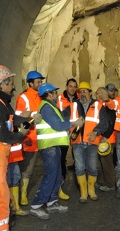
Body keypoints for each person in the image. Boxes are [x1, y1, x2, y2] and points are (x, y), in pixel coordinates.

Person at [0, 65, 41, 231]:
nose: (13, 86)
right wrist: (21, 135)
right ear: (3, 84)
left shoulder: (0, 102)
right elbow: (5, 134)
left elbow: (13, 120)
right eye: (11, 83)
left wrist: (30, 120)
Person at [30, 83, 84, 219]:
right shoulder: (47, 107)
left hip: (54, 146)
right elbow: (58, 125)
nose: (57, 94)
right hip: (49, 147)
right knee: (50, 175)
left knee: (57, 175)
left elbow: (61, 119)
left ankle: (52, 201)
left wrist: (69, 112)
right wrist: (75, 123)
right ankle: (36, 205)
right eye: (54, 92)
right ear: (48, 94)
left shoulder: (51, 106)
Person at [72, 81, 109, 203]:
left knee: (92, 168)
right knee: (79, 168)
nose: (82, 94)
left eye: (85, 91)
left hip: (92, 143)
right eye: (80, 91)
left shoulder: (98, 105)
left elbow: (104, 123)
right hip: (77, 142)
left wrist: (96, 132)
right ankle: (83, 193)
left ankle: (91, 190)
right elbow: (65, 119)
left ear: (90, 93)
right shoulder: (73, 105)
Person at [15, 70, 45, 206]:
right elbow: (18, 117)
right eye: (38, 82)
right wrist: (32, 115)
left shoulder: (42, 96)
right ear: (30, 83)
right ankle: (23, 194)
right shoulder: (23, 97)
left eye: (41, 82)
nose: (40, 84)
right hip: (30, 138)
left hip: (44, 137)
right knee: (27, 169)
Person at [57, 78, 80, 200]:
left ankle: (80, 181)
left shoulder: (79, 99)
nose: (72, 88)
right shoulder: (59, 99)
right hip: (63, 132)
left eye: (74, 86)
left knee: (78, 156)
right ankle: (61, 181)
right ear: (66, 87)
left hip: (76, 131)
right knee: (61, 157)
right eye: (70, 86)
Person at [95, 86, 116, 192]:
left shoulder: (108, 106)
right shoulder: (98, 105)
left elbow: (111, 123)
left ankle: (111, 183)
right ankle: (102, 181)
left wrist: (106, 136)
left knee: (107, 162)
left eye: (99, 93)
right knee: (100, 162)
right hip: (100, 138)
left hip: (107, 139)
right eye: (96, 93)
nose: (96, 95)